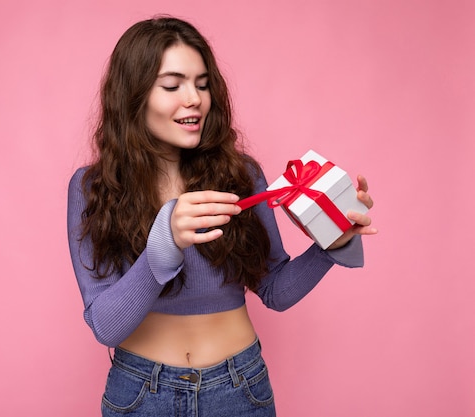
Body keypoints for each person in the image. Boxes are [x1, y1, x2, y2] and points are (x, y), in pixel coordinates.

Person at [67, 16, 376, 417]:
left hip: (239, 388)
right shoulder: (92, 188)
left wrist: (332, 244)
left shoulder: (241, 175)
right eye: (172, 85)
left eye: (202, 83)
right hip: (141, 394)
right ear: (134, 96)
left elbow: (275, 290)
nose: (194, 98)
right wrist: (165, 243)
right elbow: (106, 327)